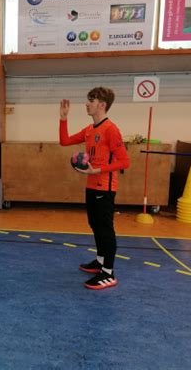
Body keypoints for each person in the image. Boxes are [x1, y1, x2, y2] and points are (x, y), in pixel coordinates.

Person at [59, 87, 130, 290]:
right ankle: (100, 261)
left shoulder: (111, 130)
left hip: (105, 188)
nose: (87, 104)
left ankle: (108, 273)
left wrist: (97, 170)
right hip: (91, 184)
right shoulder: (90, 130)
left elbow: (125, 162)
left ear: (102, 105)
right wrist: (63, 118)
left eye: (91, 100)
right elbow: (64, 141)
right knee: (94, 224)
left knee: (105, 229)